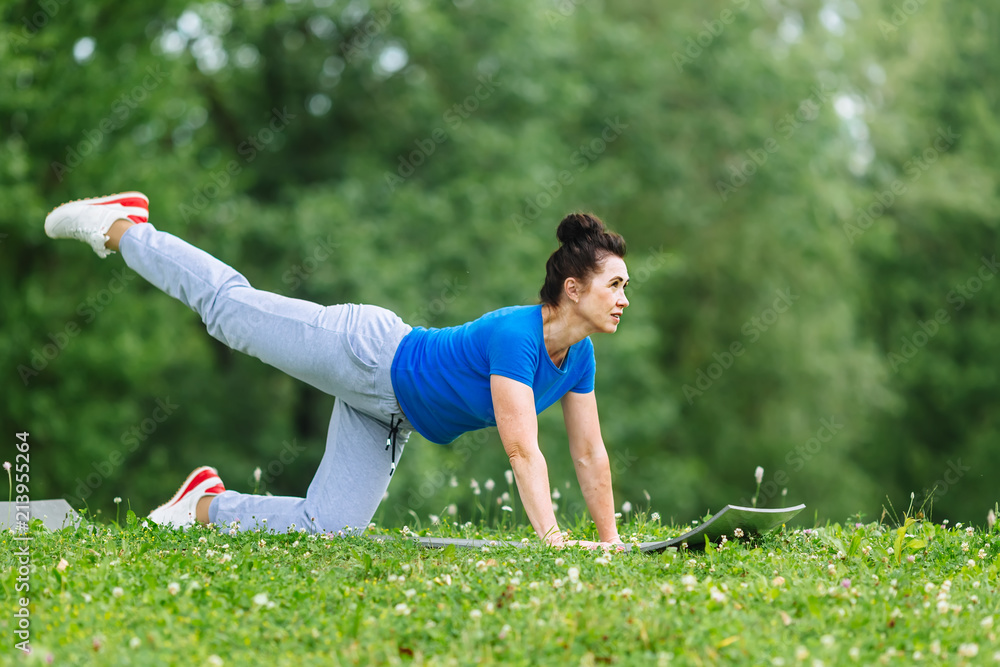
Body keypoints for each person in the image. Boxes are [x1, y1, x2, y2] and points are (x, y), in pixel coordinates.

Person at [44, 192, 630, 548]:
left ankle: (202, 506)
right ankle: (124, 227)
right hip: (366, 354)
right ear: (572, 288)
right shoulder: (516, 336)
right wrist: (553, 541)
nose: (624, 298)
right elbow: (522, 450)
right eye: (615, 285)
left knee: (327, 528)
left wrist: (610, 543)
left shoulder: (579, 356)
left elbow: (589, 453)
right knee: (228, 313)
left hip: (389, 416)